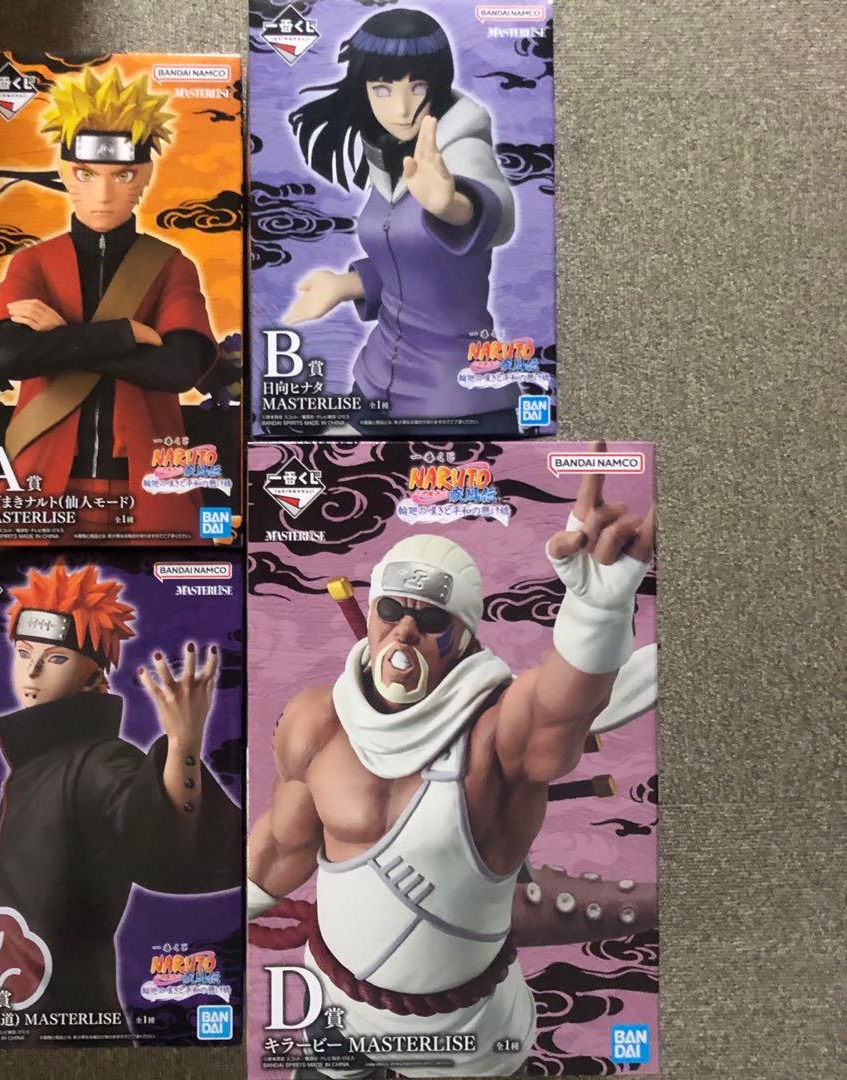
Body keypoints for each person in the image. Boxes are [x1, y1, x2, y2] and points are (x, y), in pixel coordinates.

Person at [247, 454, 656, 1076]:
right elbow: (283, 847)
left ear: (463, 638)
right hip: (335, 1011)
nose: (405, 632)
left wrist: (595, 615)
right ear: (372, 614)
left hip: (465, 1036)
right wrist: (207, 917)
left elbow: (559, 708)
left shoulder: (494, 735)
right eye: (392, 610)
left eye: (432, 618)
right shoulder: (317, 721)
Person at [0, 563, 239, 1038]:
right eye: (23, 653)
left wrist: (183, 744)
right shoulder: (35, 765)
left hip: (60, 1019)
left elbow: (159, 843)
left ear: (91, 676)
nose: (32, 671)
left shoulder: (99, 761)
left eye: (56, 658)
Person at [0, 67, 217, 541]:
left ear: (144, 176)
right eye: (86, 174)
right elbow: (12, 356)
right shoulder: (33, 262)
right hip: (41, 478)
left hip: (151, 481)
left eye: (122, 175)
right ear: (65, 173)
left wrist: (61, 337)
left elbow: (179, 368)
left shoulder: (171, 265)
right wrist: (126, 334)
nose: (103, 195)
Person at [284, 8, 521, 435]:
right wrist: (344, 285)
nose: (402, 108)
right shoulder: (389, 159)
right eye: (382, 89)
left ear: (438, 84)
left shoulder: (459, 149)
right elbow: (410, 263)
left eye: (418, 86)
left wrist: (452, 205)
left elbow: (495, 215)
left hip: (456, 395)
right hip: (376, 382)